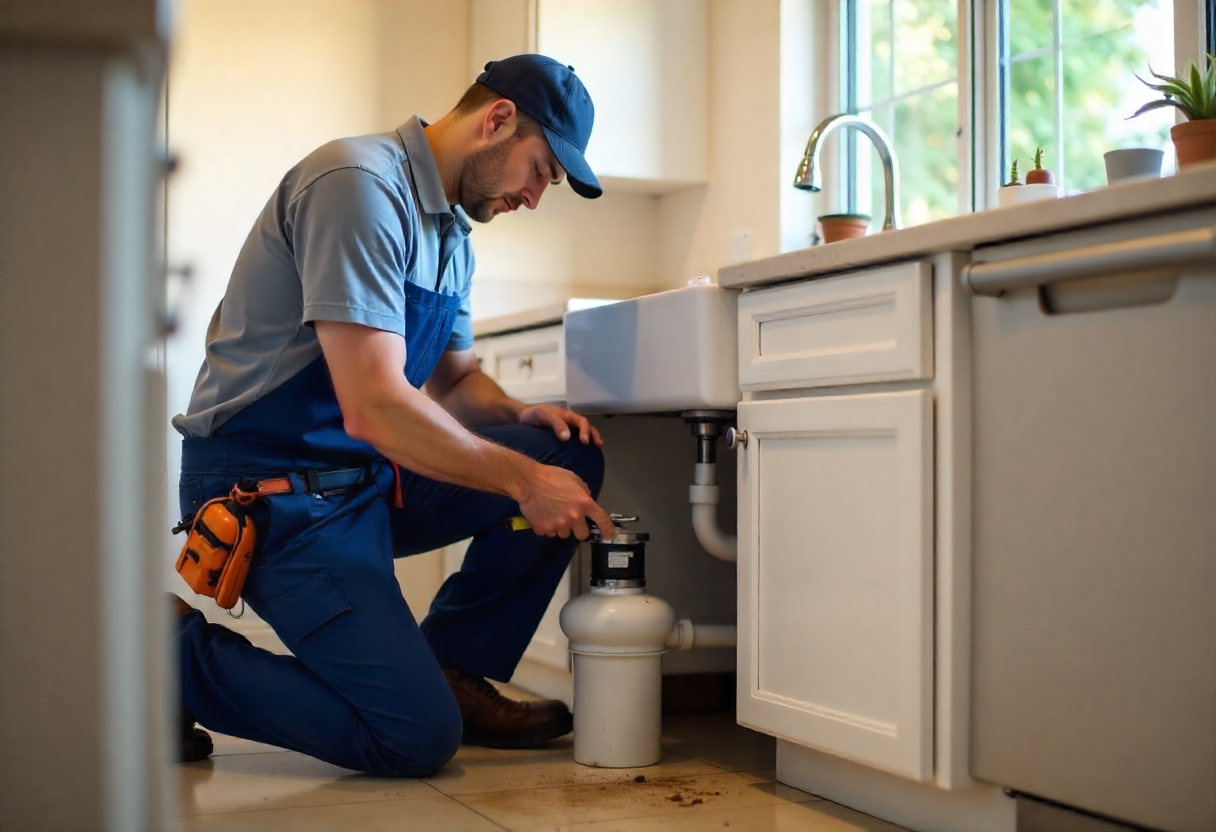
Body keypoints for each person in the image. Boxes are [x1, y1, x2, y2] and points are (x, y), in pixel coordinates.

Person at [171, 54, 614, 777]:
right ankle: (172, 658)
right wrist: (523, 482)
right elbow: (376, 403)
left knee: (566, 454)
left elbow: (458, 382)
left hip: (362, 480)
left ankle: (451, 669)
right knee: (411, 738)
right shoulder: (359, 186)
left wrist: (522, 416)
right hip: (274, 491)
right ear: (497, 120)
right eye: (540, 170)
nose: (535, 196)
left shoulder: (453, 236)